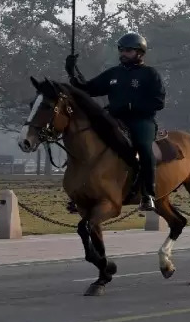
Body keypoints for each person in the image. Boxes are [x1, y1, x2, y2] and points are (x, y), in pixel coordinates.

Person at [65, 32, 166, 211]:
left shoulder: (149, 74)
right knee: (89, 144)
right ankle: (81, 192)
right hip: (114, 120)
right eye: (121, 50)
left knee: (144, 148)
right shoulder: (114, 73)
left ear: (139, 53)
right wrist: (72, 71)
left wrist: (131, 106)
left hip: (141, 121)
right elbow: (87, 89)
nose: (123, 53)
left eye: (128, 50)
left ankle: (148, 194)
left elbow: (159, 102)